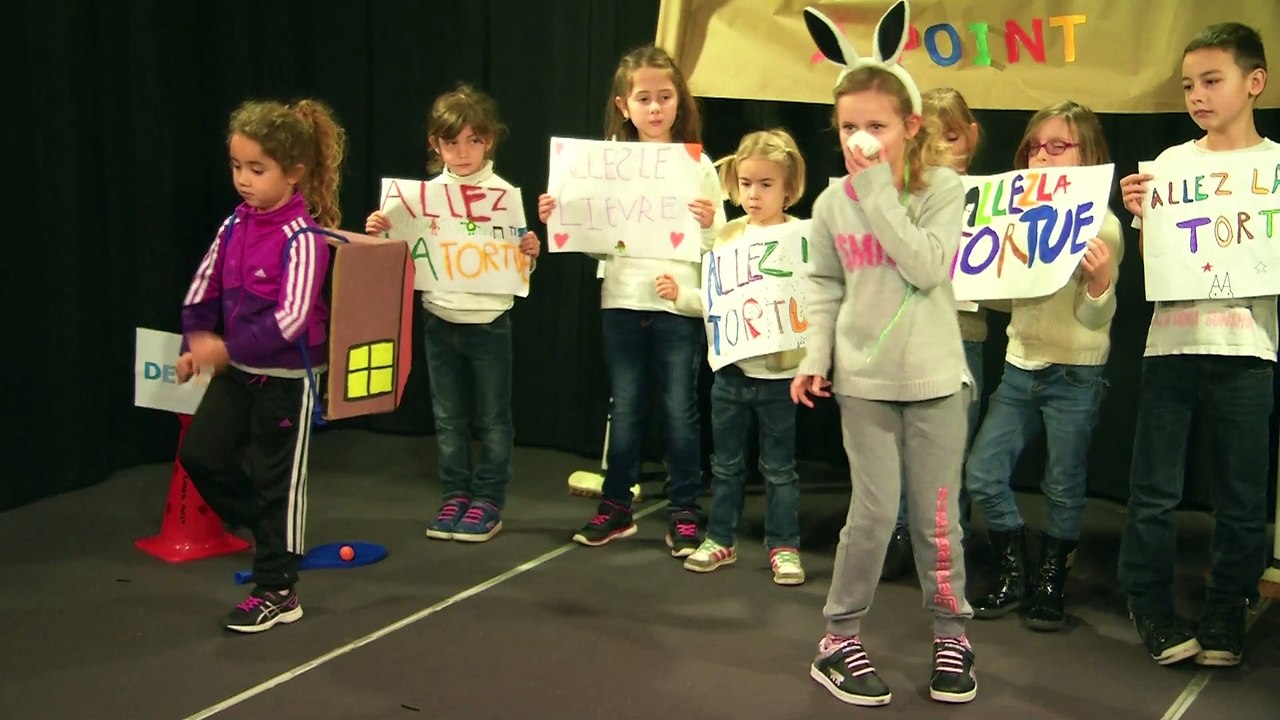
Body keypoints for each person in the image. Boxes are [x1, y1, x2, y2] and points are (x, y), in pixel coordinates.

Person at [797, 2, 976, 706]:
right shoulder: (830, 204)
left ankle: (951, 636)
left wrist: (876, 190)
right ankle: (838, 639)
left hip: (935, 381)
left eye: (875, 126)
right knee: (870, 516)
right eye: (848, 127)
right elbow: (822, 283)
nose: (860, 140)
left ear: (910, 127)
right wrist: (817, 356)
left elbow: (927, 266)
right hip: (865, 383)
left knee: (937, 519)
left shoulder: (943, 191)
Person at [1118, 22, 1275, 668]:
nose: (1198, 96)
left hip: (1251, 350)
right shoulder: (1174, 166)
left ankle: (1227, 609)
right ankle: (1149, 603)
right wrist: (1141, 216)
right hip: (1172, 346)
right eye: (1188, 85)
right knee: (1153, 489)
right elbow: (1162, 262)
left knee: (1242, 493)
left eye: (1212, 80)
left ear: (1254, 82)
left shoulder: (1274, 168)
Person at [538, 46, 726, 557]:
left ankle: (684, 509)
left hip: (675, 305)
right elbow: (598, 240)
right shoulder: (603, 164)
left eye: (665, 97)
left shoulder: (698, 165)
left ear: (679, 102)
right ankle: (616, 505)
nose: (656, 107)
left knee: (679, 410)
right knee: (626, 408)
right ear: (625, 105)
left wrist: (710, 224)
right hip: (621, 299)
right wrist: (561, 214)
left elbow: (720, 244)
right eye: (644, 98)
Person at [177, 98, 346, 633]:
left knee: (280, 482)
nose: (243, 180)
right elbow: (204, 285)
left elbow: (292, 319)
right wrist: (197, 335)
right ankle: (271, 531)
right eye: (236, 167)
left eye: (257, 169)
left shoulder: (303, 237)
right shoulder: (235, 224)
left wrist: (223, 350)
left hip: (286, 381)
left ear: (293, 172)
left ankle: (277, 586)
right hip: (240, 372)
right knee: (201, 455)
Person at [964, 101, 1123, 632]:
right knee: (983, 470)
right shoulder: (1016, 213)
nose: (1043, 156)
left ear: (1088, 155)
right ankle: (1014, 568)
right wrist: (971, 276)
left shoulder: (1101, 224)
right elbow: (1011, 299)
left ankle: (1052, 577)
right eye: (1035, 146)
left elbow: (1095, 315)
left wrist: (1100, 286)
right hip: (1020, 364)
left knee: (1063, 482)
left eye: (1059, 146)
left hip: (1075, 372)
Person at [366, 84, 540, 543]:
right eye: (451, 142)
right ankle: (455, 494)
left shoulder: (503, 196)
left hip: (488, 323)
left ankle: (488, 499)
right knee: (448, 416)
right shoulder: (421, 197)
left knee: (492, 418)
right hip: (438, 318)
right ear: (435, 144)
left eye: (473, 141)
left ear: (490, 141)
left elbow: (517, 260)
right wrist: (381, 231)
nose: (462, 153)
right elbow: (402, 254)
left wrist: (530, 249)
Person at [657, 129, 808, 585]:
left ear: (788, 188)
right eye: (746, 183)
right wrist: (682, 294)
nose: (754, 194)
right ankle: (720, 538)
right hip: (732, 375)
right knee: (724, 464)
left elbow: (819, 299)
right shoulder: (726, 236)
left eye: (766, 184)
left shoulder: (802, 236)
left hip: (781, 376)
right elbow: (716, 300)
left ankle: (783, 545)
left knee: (779, 469)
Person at [882, 86, 986, 581]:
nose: (943, 147)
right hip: (907, 332)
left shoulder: (993, 197)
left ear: (972, 136)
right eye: (932, 136)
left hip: (963, 333)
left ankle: (945, 545)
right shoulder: (903, 190)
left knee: (950, 446)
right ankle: (902, 531)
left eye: (953, 136)